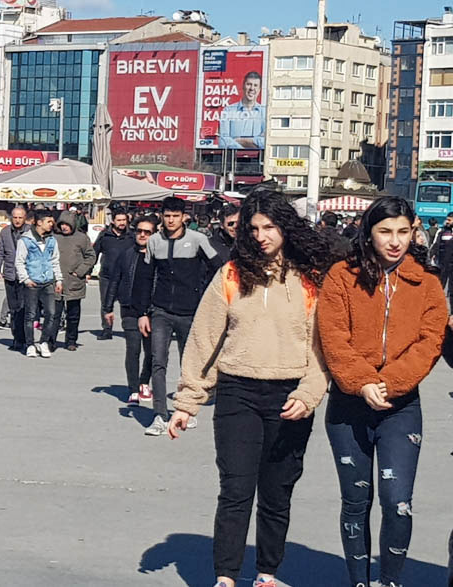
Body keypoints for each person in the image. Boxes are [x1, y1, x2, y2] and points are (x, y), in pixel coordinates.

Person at [167, 189, 333, 587]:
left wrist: (309, 394)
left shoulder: (310, 278)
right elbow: (205, 338)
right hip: (237, 392)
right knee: (236, 490)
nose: (261, 236)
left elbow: (321, 348)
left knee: (277, 494)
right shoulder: (232, 273)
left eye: (270, 227)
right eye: (254, 228)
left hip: (290, 395)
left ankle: (267, 573)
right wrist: (187, 401)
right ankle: (225, 576)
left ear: (286, 228)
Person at [317, 196, 447, 587]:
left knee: (397, 502)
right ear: (368, 232)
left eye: (403, 232)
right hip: (348, 405)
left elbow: (431, 339)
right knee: (356, 502)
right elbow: (333, 336)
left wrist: (389, 382)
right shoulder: (342, 275)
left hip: (400, 406)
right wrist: (362, 381)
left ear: (413, 232)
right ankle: (359, 580)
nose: (395, 241)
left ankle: (390, 580)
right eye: (385, 232)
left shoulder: (426, 282)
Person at [133, 196, 222, 437]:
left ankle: (186, 410)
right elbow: (145, 278)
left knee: (189, 364)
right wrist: (142, 312)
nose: (171, 220)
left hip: (190, 311)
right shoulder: (154, 242)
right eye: (167, 215)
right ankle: (159, 415)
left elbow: (221, 268)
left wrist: (207, 298)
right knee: (157, 360)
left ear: (184, 217)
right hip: (161, 310)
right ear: (161, 216)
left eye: (175, 216)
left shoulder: (198, 240)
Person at [103, 215, 156, 405]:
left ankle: (144, 382)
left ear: (154, 234)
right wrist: (107, 308)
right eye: (139, 231)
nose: (142, 235)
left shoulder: (159, 255)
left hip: (152, 310)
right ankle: (133, 389)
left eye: (147, 232)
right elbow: (114, 280)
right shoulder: (126, 254)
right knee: (133, 348)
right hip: (129, 308)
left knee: (151, 351)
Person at [15, 209, 64, 358]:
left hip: (48, 281)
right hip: (32, 282)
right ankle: (29, 344)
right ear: (39, 222)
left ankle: (44, 342)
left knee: (51, 313)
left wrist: (59, 279)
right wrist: (25, 279)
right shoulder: (25, 240)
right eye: (49, 222)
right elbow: (19, 261)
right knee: (30, 315)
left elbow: (55, 260)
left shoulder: (52, 240)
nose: (51, 225)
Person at [51, 211, 95, 352]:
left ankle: (71, 340)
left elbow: (90, 256)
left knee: (73, 314)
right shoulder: (54, 237)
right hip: (56, 281)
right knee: (54, 314)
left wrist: (80, 271)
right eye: (62, 224)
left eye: (67, 224)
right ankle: (51, 341)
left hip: (75, 281)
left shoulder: (82, 238)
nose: (64, 227)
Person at [0, 206, 30, 350]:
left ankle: (25, 338)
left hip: (26, 276)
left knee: (24, 308)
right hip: (9, 275)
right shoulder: (5, 232)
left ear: (25, 218)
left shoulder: (30, 232)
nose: (17, 220)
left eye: (20, 217)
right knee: (14, 309)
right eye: (15, 217)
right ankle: (17, 338)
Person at [93, 209, 132, 340]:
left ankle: (128, 329)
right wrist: (87, 271)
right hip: (107, 275)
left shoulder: (131, 236)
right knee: (105, 304)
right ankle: (107, 329)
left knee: (126, 304)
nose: (122, 223)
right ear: (113, 221)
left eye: (124, 220)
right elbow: (95, 253)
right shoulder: (105, 236)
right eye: (119, 220)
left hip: (126, 277)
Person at [218, 71, 266, 150]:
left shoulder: (265, 113)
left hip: (257, 159)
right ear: (243, 86)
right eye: (249, 84)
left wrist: (239, 140)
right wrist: (248, 147)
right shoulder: (228, 111)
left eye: (255, 85)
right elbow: (223, 141)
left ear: (259, 89)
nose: (252, 88)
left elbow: (267, 142)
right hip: (232, 159)